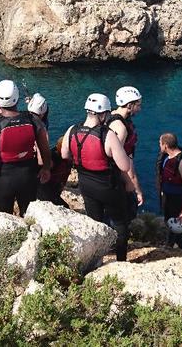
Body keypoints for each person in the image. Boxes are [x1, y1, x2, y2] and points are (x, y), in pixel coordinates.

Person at [62, 93, 133, 261]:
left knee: (96, 222)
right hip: (108, 186)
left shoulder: (72, 129)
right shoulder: (107, 135)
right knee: (120, 224)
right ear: (103, 114)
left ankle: (97, 259)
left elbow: (65, 154)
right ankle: (121, 260)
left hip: (85, 184)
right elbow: (124, 166)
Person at [0, 80, 51, 215]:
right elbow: (45, 148)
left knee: (3, 217)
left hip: (3, 180)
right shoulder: (33, 120)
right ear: (17, 98)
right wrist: (46, 168)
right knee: (28, 215)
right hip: (28, 176)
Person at [107, 86, 144, 217]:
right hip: (115, 177)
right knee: (128, 211)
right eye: (138, 105)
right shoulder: (121, 128)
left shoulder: (108, 115)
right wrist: (137, 189)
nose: (140, 109)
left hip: (103, 176)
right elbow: (120, 159)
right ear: (129, 105)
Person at [156, 133, 182, 249]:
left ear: (165, 145)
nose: (159, 146)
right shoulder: (166, 157)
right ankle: (169, 245)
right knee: (169, 223)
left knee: (177, 228)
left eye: (160, 143)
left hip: (178, 200)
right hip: (168, 198)